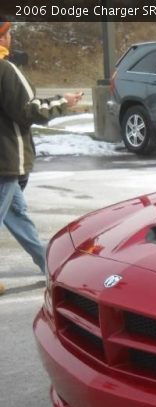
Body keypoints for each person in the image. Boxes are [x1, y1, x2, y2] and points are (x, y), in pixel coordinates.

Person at [0, 18, 82, 295]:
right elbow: (28, 110)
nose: (10, 38)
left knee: (18, 216)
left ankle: (50, 266)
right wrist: (64, 101)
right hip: (5, 161)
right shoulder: (6, 70)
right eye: (8, 33)